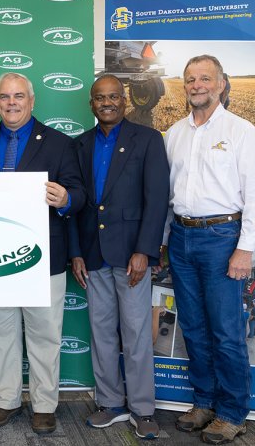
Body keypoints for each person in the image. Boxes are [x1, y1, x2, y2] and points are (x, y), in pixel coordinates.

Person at [0, 72, 85, 434]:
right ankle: (6, 400)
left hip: (43, 256)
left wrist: (65, 199)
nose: (12, 103)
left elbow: (78, 193)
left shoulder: (60, 143)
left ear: (32, 101)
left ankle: (45, 404)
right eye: (5, 97)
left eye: (19, 96)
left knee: (45, 334)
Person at [163, 55, 255, 444]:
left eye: (205, 78)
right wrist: (163, 241)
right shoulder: (174, 133)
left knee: (226, 331)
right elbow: (168, 194)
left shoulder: (241, 131)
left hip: (223, 238)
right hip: (181, 237)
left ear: (222, 83)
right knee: (192, 326)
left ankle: (231, 412)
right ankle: (205, 401)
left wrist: (245, 250)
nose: (197, 85)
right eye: (190, 79)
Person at [69, 75, 169, 439]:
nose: (107, 103)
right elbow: (77, 204)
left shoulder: (148, 140)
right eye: (99, 98)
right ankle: (110, 403)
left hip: (132, 257)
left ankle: (143, 409)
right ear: (91, 104)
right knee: (101, 334)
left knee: (136, 333)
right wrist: (76, 252)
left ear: (124, 101)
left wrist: (145, 250)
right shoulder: (79, 144)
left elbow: (156, 200)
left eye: (113, 97)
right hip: (93, 256)